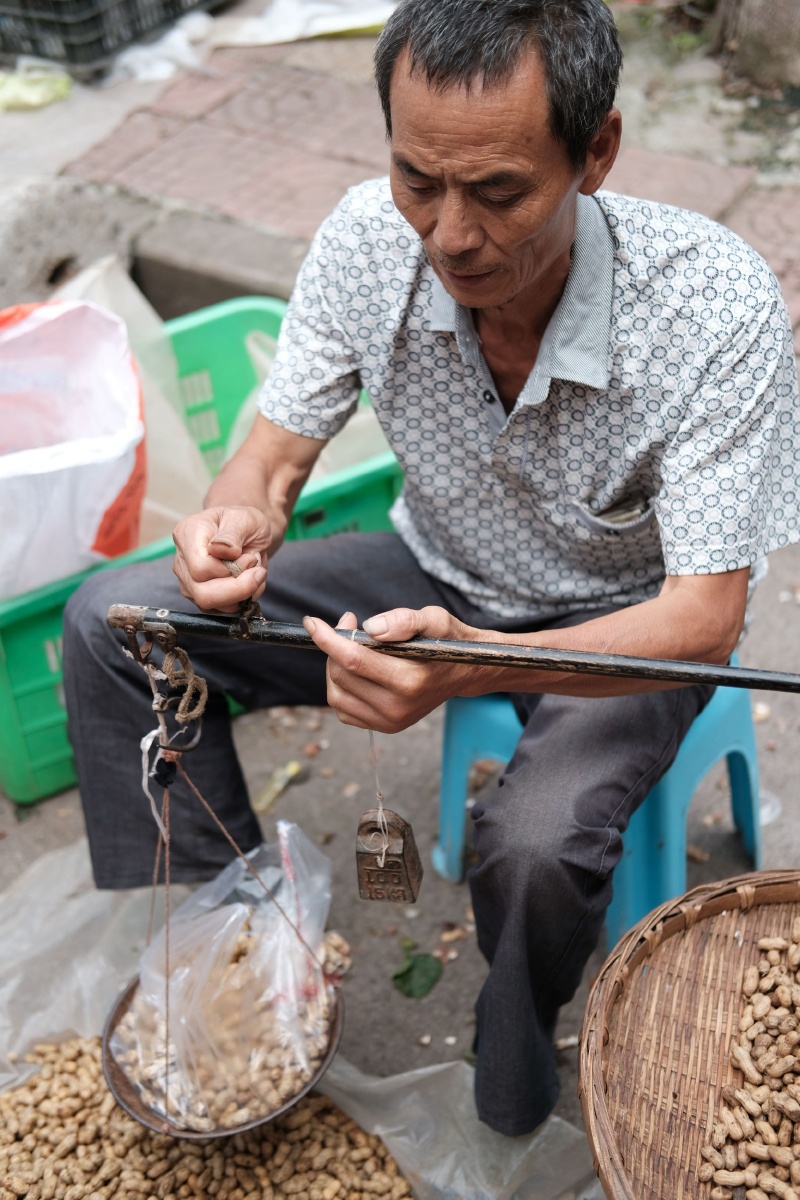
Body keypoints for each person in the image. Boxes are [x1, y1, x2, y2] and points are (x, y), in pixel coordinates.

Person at [64, 0, 800, 1137]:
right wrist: (234, 522)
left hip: (626, 623)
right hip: (437, 567)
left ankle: (511, 1077)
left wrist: (469, 666)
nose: (450, 236)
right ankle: (239, 957)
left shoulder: (712, 308)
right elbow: (270, 456)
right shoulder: (370, 242)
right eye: (419, 179)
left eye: (499, 192)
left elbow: (701, 619)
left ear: (595, 151)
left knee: (536, 846)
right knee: (118, 623)